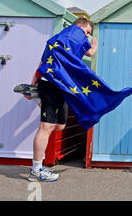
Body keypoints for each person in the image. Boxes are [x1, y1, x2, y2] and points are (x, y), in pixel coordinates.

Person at [25, 18, 97, 182]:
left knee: (60, 126)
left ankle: (36, 97)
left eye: (88, 35)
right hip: (51, 85)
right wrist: (94, 45)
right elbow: (89, 52)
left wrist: (32, 83)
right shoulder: (71, 34)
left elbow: (43, 61)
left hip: (61, 87)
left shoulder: (64, 43)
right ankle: (36, 170)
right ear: (79, 26)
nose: (85, 36)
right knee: (46, 127)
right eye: (86, 32)